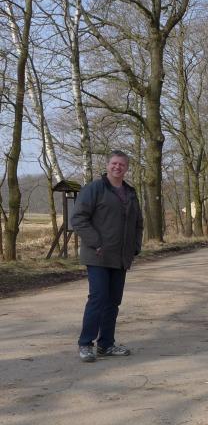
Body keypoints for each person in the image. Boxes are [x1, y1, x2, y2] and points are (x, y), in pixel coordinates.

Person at [71, 150, 144, 363]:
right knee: (98, 298)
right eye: (114, 163)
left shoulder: (130, 193)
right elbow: (78, 219)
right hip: (98, 255)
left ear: (126, 168)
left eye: (122, 164)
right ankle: (86, 344)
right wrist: (96, 242)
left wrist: (135, 246)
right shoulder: (95, 189)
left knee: (113, 301)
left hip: (121, 257)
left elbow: (138, 223)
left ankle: (106, 344)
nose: (117, 167)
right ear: (107, 165)